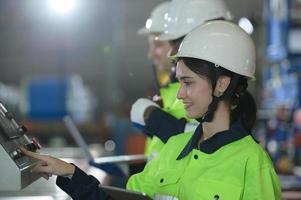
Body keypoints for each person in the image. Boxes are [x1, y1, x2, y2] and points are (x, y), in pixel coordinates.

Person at [23, 21, 282, 200]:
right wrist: (70, 173)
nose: (180, 94)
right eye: (179, 82)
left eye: (189, 83)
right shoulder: (173, 148)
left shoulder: (253, 164)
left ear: (222, 84)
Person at [131, 0, 232, 159]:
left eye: (177, 43)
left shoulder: (226, 89)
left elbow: (215, 139)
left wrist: (159, 121)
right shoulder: (172, 90)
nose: (173, 51)